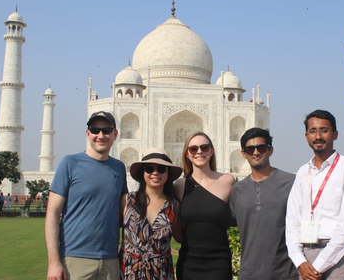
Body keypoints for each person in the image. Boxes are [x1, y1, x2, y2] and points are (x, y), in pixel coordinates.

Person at [45, 111, 128, 280]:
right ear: (88, 133)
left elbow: (123, 212)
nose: (101, 135)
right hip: (75, 258)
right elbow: (52, 213)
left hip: (110, 258)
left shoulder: (119, 168)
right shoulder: (70, 163)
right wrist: (53, 262)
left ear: (115, 134)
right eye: (95, 130)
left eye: (106, 130)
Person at [286, 110, 344, 280]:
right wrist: (300, 262)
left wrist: (318, 266)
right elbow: (292, 220)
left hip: (338, 259)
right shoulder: (303, 172)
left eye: (324, 130)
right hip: (305, 259)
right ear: (306, 136)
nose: (318, 136)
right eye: (313, 131)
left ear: (335, 134)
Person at [229, 127, 298, 279]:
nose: (256, 152)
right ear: (243, 153)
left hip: (286, 274)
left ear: (270, 150)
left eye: (261, 147)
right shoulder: (238, 190)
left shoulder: (291, 183)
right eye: (250, 149)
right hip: (249, 273)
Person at [174, 132, 235, 280]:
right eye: (193, 149)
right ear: (187, 154)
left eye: (204, 147)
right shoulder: (179, 186)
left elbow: (229, 220)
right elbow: (178, 231)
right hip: (189, 263)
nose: (199, 151)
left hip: (218, 263)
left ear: (211, 151)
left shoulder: (227, 181)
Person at [120, 148, 182, 280]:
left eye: (161, 169)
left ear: (167, 173)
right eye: (149, 168)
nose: (155, 173)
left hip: (161, 273)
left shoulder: (174, 205)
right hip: (130, 272)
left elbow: (181, 238)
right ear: (143, 172)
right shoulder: (127, 200)